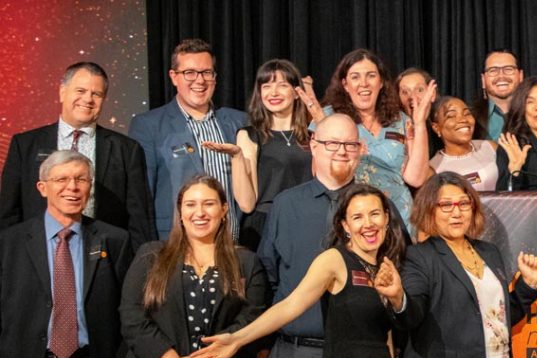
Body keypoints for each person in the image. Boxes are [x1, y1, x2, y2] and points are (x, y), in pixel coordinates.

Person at [192, 184, 408, 358]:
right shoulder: (334, 260)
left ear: (387, 218)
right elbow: (290, 305)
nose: (368, 224)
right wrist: (237, 339)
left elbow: (382, 334)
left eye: (375, 214)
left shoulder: (385, 266)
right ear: (344, 226)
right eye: (357, 217)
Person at [114, 175, 268, 358]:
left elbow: (253, 318)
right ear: (180, 212)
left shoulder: (246, 261)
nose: (199, 212)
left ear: (223, 210)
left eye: (209, 204)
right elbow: (132, 315)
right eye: (190, 204)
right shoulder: (151, 255)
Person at [393, 172, 537, 358]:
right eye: (445, 205)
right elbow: (411, 314)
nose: (456, 212)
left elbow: (497, 319)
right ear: (430, 210)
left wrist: (528, 285)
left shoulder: (489, 252)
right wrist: (397, 298)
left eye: (463, 204)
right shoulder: (420, 257)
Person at [0, 151, 132, 358]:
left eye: (81, 179)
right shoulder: (10, 243)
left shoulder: (113, 240)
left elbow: (126, 313)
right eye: (61, 179)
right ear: (42, 187)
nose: (72, 187)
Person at [256, 113, 363, 358]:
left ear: (360, 150)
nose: (341, 151)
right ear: (313, 146)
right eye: (332, 143)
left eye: (349, 144)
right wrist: (263, 350)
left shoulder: (375, 207)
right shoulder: (286, 206)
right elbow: (266, 279)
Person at [0, 61, 155, 249]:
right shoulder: (25, 145)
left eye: (96, 94)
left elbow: (139, 219)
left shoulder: (127, 150)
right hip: (37, 257)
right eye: (80, 91)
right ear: (62, 92)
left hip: (105, 259)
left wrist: (140, 270)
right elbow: (8, 213)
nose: (88, 99)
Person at [129, 38, 248, 239]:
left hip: (232, 243)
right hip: (176, 246)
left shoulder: (239, 122)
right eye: (189, 73)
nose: (199, 80)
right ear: (174, 77)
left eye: (206, 73)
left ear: (215, 77)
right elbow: (142, 198)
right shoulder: (148, 125)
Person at [306, 49, 434, 225]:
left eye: (371, 76)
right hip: (354, 217)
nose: (364, 83)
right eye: (355, 77)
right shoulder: (327, 117)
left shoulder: (400, 120)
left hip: (399, 217)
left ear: (381, 82)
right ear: (345, 84)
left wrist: (419, 124)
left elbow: (416, 178)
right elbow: (318, 173)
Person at [203, 59, 313, 251]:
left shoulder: (314, 136)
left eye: (282, 85)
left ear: (296, 92)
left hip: (307, 221)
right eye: (267, 86)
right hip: (265, 227)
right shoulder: (250, 135)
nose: (274, 92)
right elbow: (246, 204)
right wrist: (237, 157)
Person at [429, 96, 499, 191]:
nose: (463, 120)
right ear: (436, 127)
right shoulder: (434, 168)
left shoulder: (490, 147)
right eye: (451, 116)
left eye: (467, 113)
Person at [472, 49, 524, 141]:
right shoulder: (470, 118)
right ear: (483, 80)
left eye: (508, 69)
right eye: (493, 70)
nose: (501, 76)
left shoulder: (536, 113)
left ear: (520, 76)